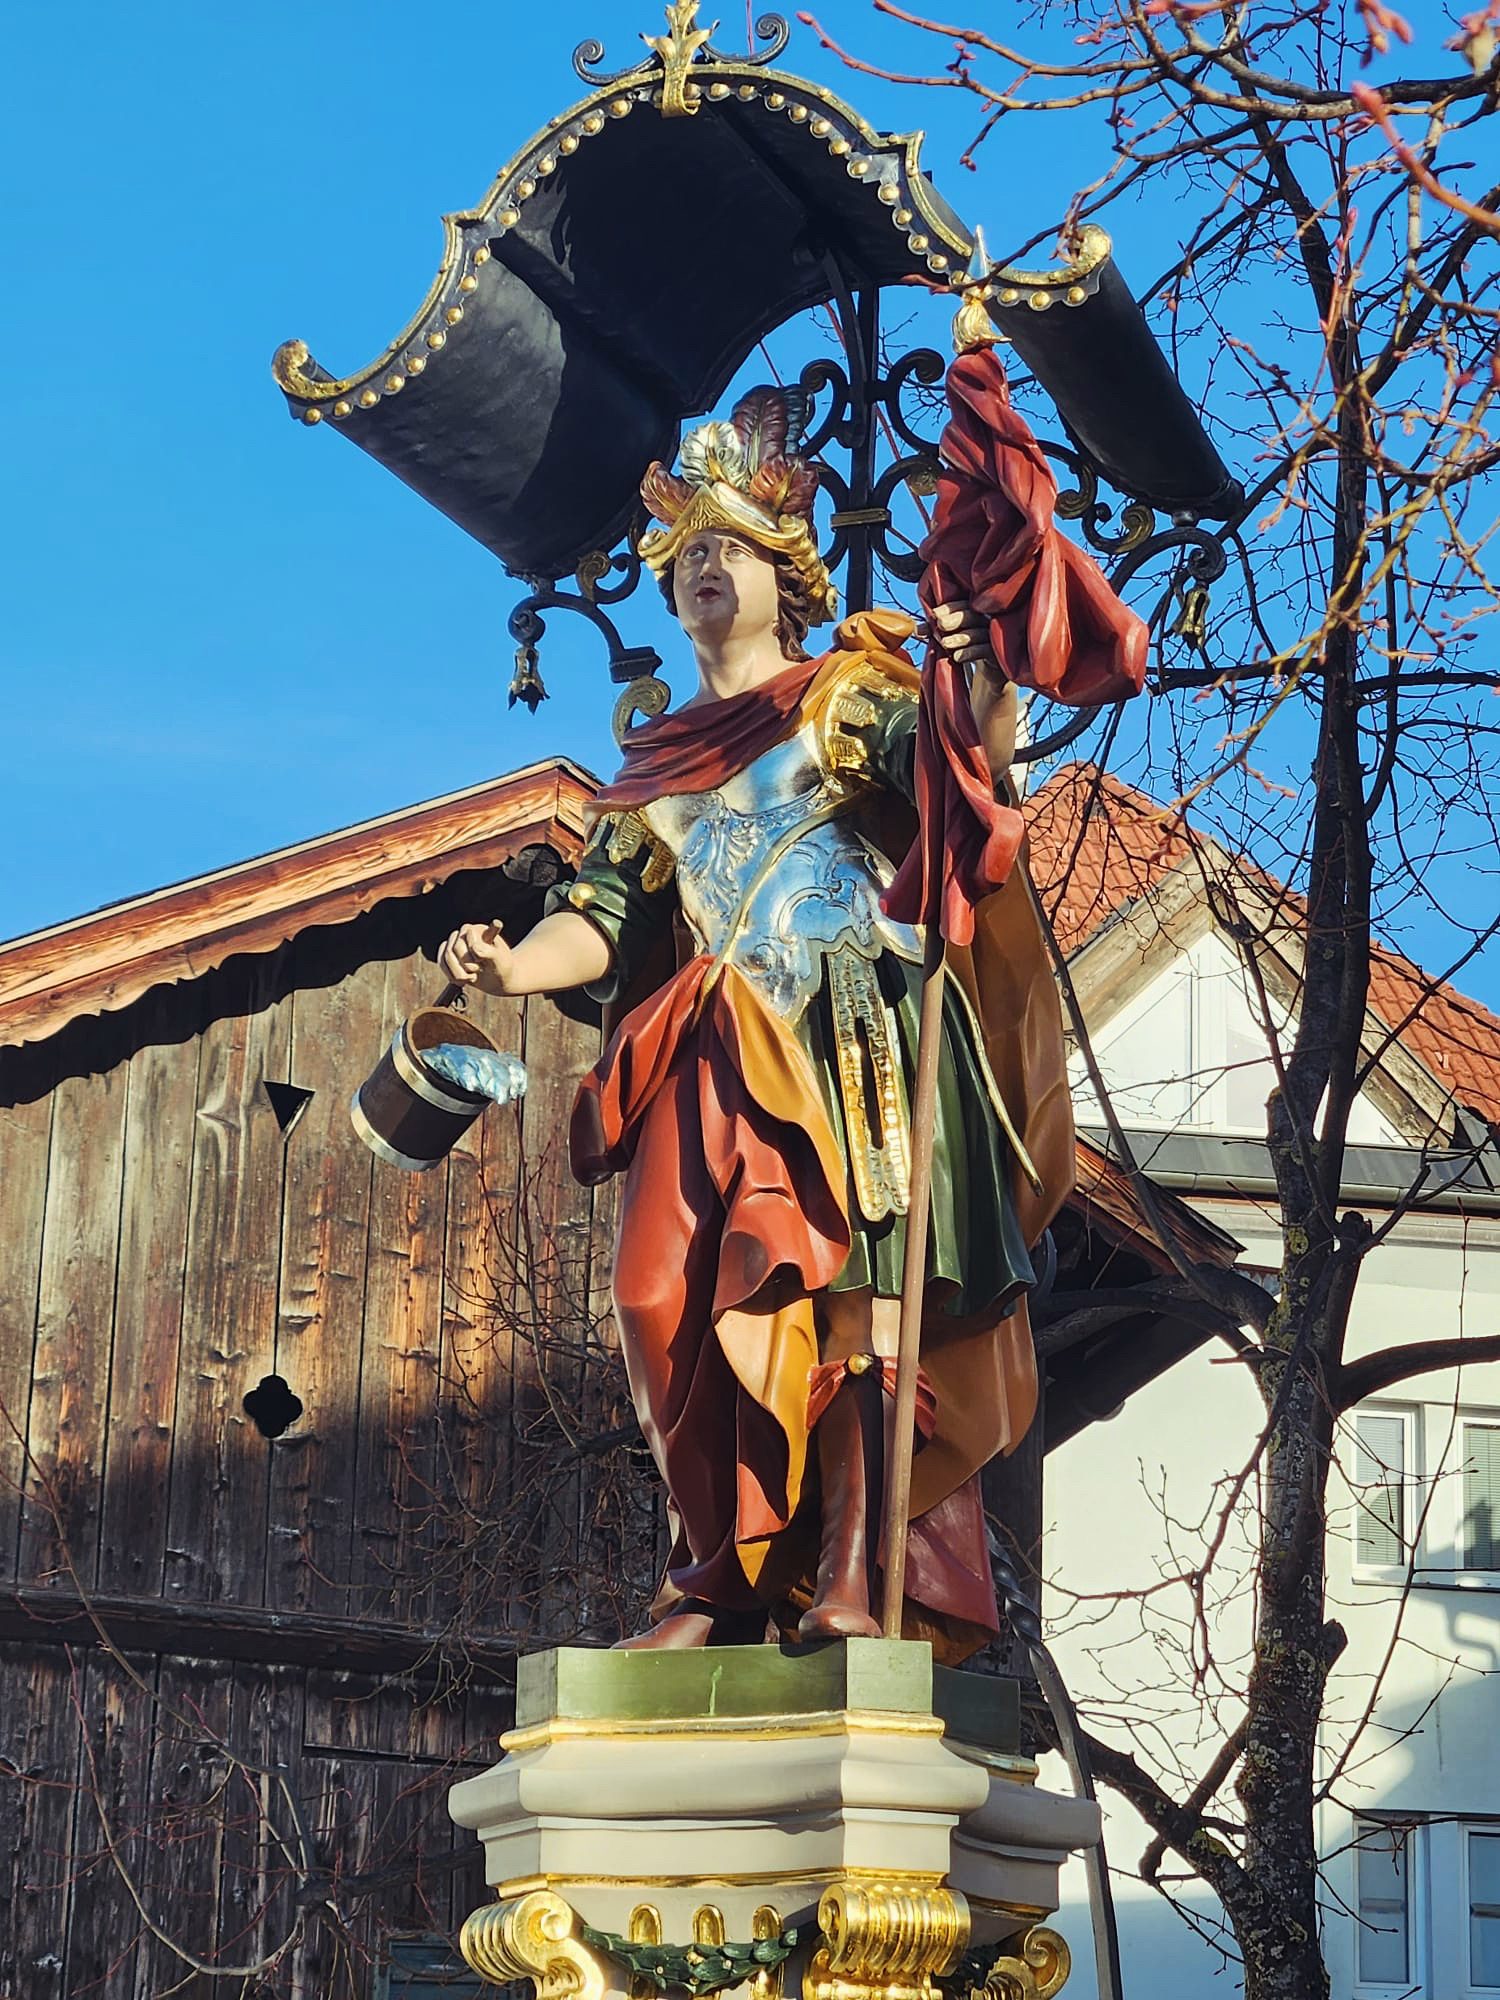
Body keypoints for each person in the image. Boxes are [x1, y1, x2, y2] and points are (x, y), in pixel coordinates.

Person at [441, 354, 1145, 1660]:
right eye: (689, 555)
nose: (709, 570)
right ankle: (718, 1566)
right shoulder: (654, 765)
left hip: (851, 1039)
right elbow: (601, 923)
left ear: (788, 570)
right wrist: (507, 966)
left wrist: (976, 662)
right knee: (662, 1297)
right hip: (713, 1051)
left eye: (737, 547)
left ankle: (845, 1566)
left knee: (854, 1306)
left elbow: (961, 772)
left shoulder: (841, 699)